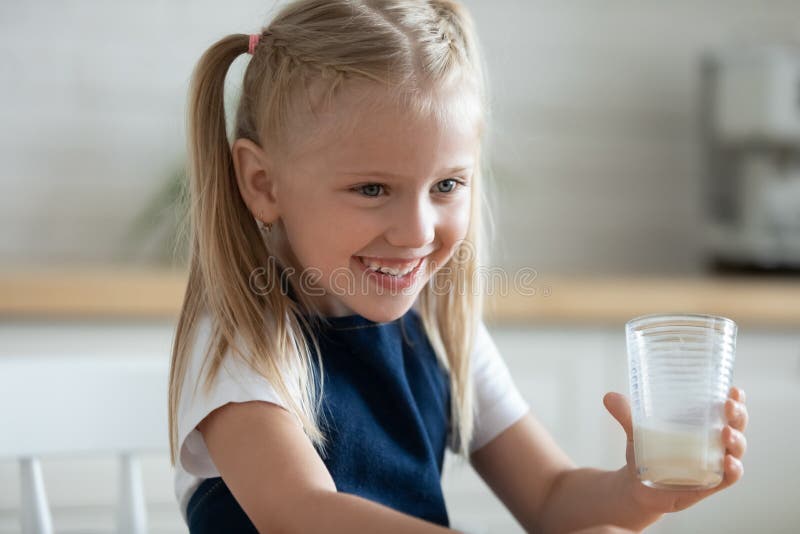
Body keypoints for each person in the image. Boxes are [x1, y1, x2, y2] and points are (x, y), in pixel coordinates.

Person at [166, 1, 750, 532]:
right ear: (263, 184)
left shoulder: (442, 329)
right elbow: (301, 514)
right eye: (372, 188)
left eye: (446, 185)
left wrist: (641, 491)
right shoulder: (239, 339)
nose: (418, 231)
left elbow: (549, 497)